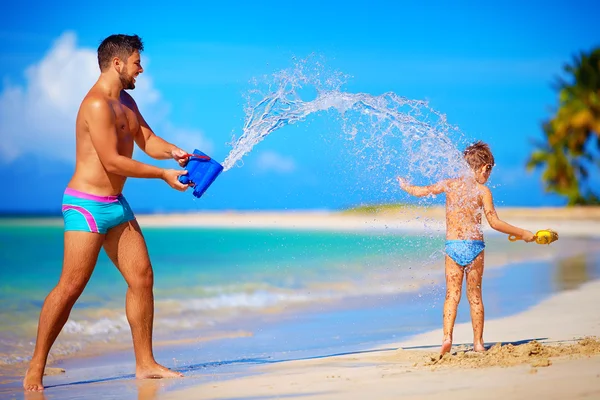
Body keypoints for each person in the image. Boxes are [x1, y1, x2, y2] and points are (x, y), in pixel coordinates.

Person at [23, 34, 190, 392]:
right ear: (117, 64)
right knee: (70, 287)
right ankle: (35, 366)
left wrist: (174, 152)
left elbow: (146, 139)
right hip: (86, 206)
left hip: (116, 206)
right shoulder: (96, 105)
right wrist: (162, 174)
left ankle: (145, 364)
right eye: (136, 62)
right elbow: (113, 160)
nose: (140, 68)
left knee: (142, 278)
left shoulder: (126, 101)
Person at [397, 141, 536, 355]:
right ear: (484, 168)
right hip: (474, 247)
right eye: (489, 171)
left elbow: (421, 191)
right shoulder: (483, 191)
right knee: (475, 297)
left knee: (452, 295)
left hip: (453, 247)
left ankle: (446, 338)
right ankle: (478, 343)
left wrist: (406, 186)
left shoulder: (450, 185)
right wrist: (523, 234)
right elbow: (495, 223)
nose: (488, 177)